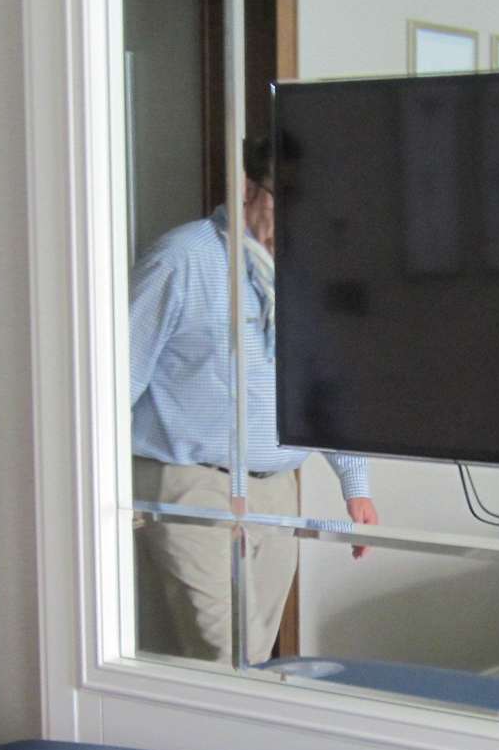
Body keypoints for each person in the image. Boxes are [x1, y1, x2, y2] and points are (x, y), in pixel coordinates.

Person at [128, 139, 379, 664]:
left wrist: (355, 486)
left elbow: (325, 384)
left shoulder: (306, 271)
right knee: (222, 653)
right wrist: (91, 485)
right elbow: (117, 377)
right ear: (246, 188)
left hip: (277, 489)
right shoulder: (182, 260)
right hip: (192, 482)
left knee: (257, 654)